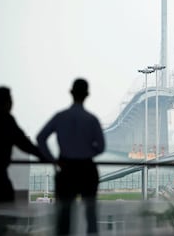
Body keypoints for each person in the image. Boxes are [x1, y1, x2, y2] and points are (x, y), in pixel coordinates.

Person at [36, 78, 105, 235]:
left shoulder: (60, 117)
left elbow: (41, 138)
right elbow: (101, 147)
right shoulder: (92, 119)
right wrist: (88, 152)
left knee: (64, 216)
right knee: (90, 214)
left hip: (66, 169)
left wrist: (53, 159)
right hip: (87, 169)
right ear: (87, 94)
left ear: (71, 93)